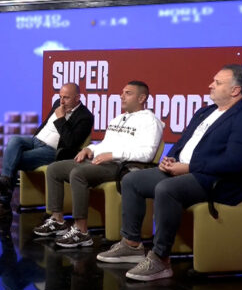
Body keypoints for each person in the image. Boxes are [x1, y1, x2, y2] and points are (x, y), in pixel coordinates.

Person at [97, 65, 242, 281]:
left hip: (215, 180)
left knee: (166, 189)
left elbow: (233, 162)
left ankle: (160, 258)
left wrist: (189, 167)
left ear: (235, 90)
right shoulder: (205, 112)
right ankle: (131, 244)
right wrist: (171, 158)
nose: (210, 85)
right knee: (131, 180)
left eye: (217, 82)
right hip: (185, 170)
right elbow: (183, 141)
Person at [33, 81, 163, 248]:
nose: (121, 96)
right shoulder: (118, 119)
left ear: (142, 98)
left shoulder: (151, 122)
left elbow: (147, 154)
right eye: (122, 92)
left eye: (128, 93)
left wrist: (113, 155)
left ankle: (81, 231)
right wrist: (90, 148)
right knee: (54, 169)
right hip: (100, 161)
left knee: (78, 174)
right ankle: (57, 220)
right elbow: (105, 144)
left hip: (120, 166)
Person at [0, 83, 93, 220]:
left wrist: (61, 119)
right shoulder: (57, 103)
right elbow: (46, 125)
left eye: (66, 98)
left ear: (77, 98)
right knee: (14, 140)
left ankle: (4, 204)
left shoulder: (85, 117)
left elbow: (71, 143)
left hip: (52, 151)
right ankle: (5, 181)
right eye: (60, 97)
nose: (62, 101)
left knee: (14, 160)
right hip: (36, 141)